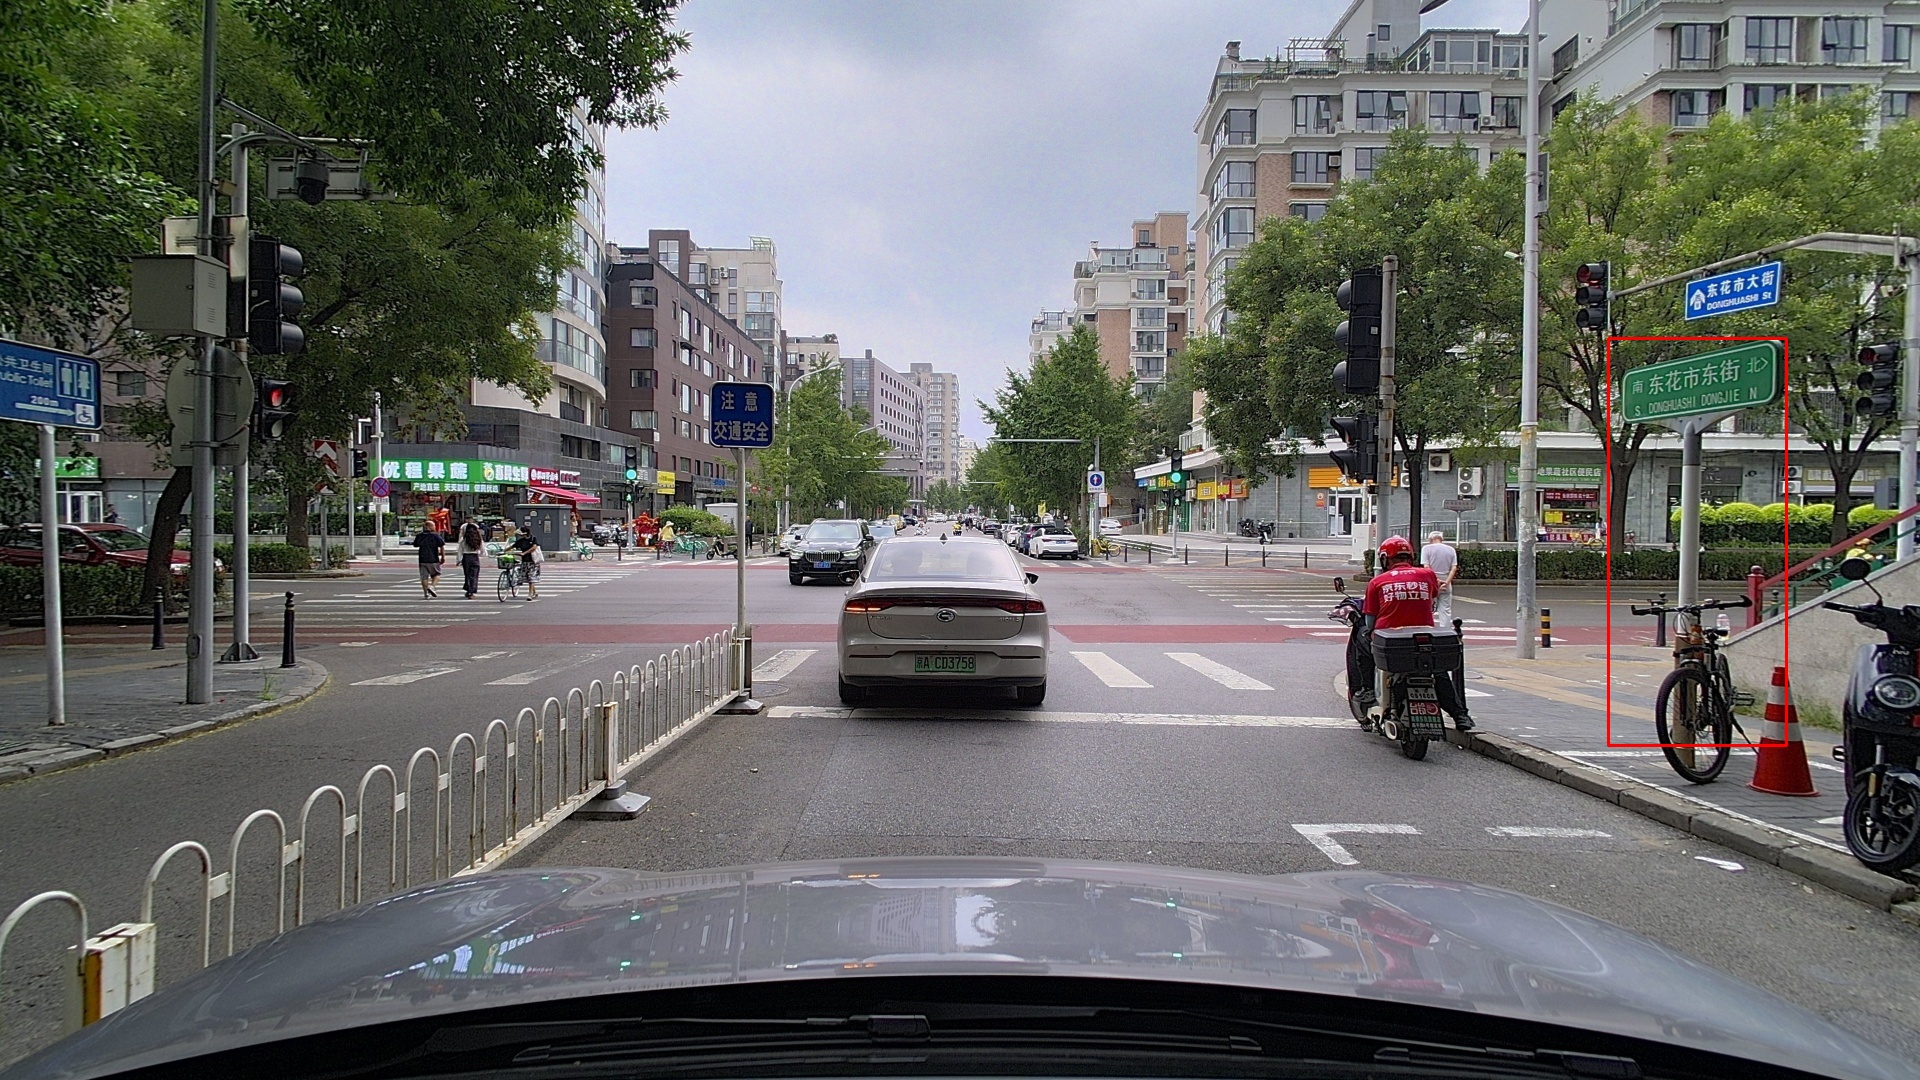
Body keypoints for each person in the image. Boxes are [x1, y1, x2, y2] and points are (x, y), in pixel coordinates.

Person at [1352, 535, 1473, 732]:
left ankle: (1367, 689)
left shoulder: (1377, 582)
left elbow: (1370, 621)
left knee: (1362, 640)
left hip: (1390, 642)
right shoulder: (1427, 575)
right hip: (1423, 641)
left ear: (1385, 559)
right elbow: (1432, 595)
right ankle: (1460, 716)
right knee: (1438, 672)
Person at [1421, 530, 1459, 626]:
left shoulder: (1426, 548)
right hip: (1446, 580)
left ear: (1430, 539)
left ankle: (1428, 628)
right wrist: (1446, 582)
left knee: (1428, 607)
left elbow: (1426, 567)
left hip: (1430, 581)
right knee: (1445, 609)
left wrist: (1436, 580)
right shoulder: (1451, 549)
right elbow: (1454, 568)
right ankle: (1444, 629)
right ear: (1442, 539)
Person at [413, 523, 446, 598]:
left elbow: (415, 545)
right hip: (433, 559)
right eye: (433, 525)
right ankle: (432, 586)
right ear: (429, 526)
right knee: (437, 574)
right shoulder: (436, 536)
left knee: (424, 577)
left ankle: (426, 594)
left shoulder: (419, 536)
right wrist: (443, 557)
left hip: (422, 559)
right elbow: (442, 546)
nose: (435, 527)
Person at [508, 528, 542, 599]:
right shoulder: (521, 541)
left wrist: (524, 553)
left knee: (531, 577)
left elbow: (534, 547)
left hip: (533, 561)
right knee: (529, 578)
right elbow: (513, 546)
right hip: (525, 561)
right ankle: (534, 592)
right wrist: (503, 551)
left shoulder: (533, 539)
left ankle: (530, 594)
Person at [457, 521, 485, 599]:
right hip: (475, 557)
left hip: (466, 558)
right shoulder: (478, 539)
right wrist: (480, 554)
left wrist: (458, 560)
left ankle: (468, 590)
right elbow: (483, 551)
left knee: (467, 575)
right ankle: (471, 591)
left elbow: (460, 551)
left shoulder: (463, 540)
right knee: (474, 575)